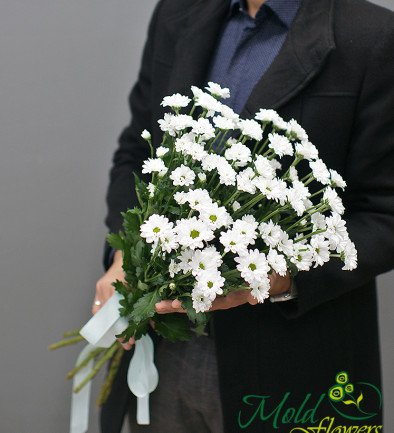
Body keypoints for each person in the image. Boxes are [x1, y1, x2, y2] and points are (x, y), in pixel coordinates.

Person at [93, 0, 394, 432]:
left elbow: (385, 214)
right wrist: (129, 253)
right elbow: (138, 152)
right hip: (164, 347)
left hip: (289, 364)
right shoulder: (178, 12)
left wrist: (281, 276)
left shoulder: (373, 36)